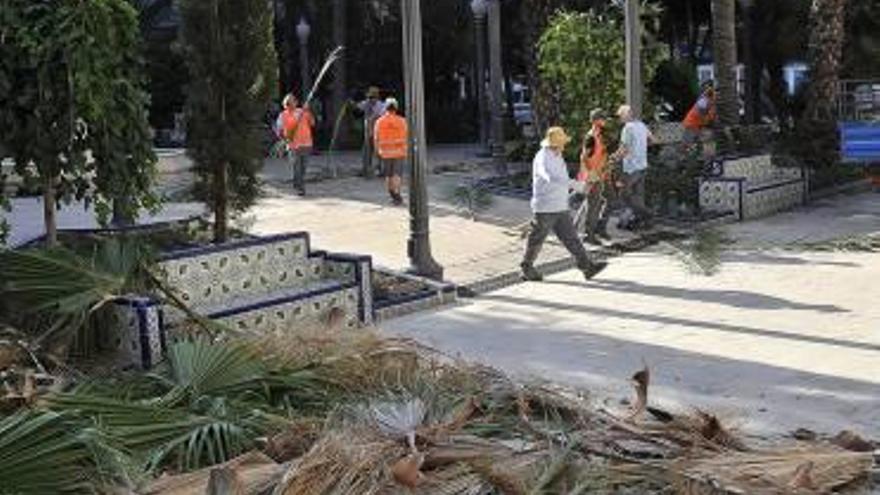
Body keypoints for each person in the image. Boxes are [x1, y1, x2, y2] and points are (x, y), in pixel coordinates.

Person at [521, 126, 608, 282]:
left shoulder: (557, 155)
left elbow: (559, 178)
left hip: (560, 205)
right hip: (545, 207)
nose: (564, 145)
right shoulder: (542, 157)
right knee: (537, 239)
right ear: (556, 144)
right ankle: (526, 267)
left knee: (571, 238)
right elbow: (550, 176)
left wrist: (580, 184)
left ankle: (587, 267)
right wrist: (578, 185)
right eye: (562, 142)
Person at [611, 105, 654, 230]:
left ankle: (647, 214)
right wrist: (641, 148)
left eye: (621, 115)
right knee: (638, 195)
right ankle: (638, 221)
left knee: (624, 194)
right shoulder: (641, 125)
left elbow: (623, 149)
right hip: (643, 166)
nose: (619, 118)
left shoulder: (627, 128)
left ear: (628, 114)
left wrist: (613, 158)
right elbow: (653, 139)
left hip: (631, 168)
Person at [573, 109, 612, 245]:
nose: (605, 121)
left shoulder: (599, 135)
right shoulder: (591, 137)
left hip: (598, 176)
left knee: (591, 204)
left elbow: (600, 155)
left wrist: (604, 171)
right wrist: (591, 173)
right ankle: (588, 235)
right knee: (593, 205)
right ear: (596, 120)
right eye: (603, 119)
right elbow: (583, 157)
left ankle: (580, 230)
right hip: (591, 177)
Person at [278, 93, 315, 196]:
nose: (292, 103)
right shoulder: (283, 115)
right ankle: (301, 188)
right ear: (286, 104)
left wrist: (308, 111)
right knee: (297, 167)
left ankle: (297, 183)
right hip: (293, 146)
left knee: (303, 167)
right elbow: (279, 130)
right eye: (289, 102)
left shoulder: (302, 112)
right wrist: (284, 139)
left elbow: (312, 123)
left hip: (306, 143)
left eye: (293, 100)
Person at [374, 97, 407, 206]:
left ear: (385, 108)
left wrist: (377, 151)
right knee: (397, 174)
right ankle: (397, 194)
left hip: (385, 152)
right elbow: (407, 136)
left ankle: (392, 194)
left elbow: (376, 138)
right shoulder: (402, 121)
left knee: (388, 175)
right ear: (396, 108)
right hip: (399, 152)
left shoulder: (379, 122)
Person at [356, 86, 386, 178]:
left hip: (378, 133)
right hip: (368, 132)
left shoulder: (381, 106)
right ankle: (365, 169)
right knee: (366, 152)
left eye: (372, 97)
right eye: (369, 97)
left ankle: (380, 169)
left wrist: (373, 117)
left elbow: (380, 117)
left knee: (378, 152)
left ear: (377, 97)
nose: (370, 99)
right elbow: (358, 106)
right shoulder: (366, 103)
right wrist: (352, 103)